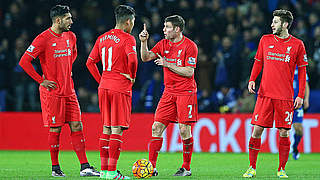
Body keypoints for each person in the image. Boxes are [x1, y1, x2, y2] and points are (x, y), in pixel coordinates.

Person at [19, 5, 99, 177]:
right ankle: (55, 168)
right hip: (53, 93)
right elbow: (24, 61)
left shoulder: (71, 36)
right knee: (55, 130)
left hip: (69, 90)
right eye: (68, 18)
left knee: (77, 125)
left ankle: (85, 166)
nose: (71, 21)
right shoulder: (43, 38)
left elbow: (73, 54)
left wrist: (66, 69)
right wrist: (42, 80)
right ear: (58, 20)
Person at [243, 9, 308, 178]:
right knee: (256, 131)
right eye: (272, 21)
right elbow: (258, 61)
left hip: (285, 97)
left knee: (284, 133)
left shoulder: (298, 45)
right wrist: (252, 79)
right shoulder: (265, 40)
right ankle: (251, 167)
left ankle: (281, 169)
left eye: (276, 22)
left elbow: (302, 72)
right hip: (264, 95)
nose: (272, 24)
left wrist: (300, 95)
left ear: (285, 24)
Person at [139, 15, 198, 177]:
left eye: (167, 27)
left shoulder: (190, 46)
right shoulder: (163, 44)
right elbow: (145, 58)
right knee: (156, 127)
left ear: (177, 29)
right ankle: (151, 167)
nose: (164, 30)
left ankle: (186, 167)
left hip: (186, 92)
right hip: (169, 92)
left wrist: (168, 64)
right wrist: (143, 42)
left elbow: (189, 72)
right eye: (164, 26)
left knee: (184, 129)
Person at [86, 5, 137, 180]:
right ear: (128, 22)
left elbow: (90, 62)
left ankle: (105, 172)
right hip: (119, 87)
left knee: (106, 128)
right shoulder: (128, 38)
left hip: (104, 86)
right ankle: (113, 172)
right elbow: (133, 60)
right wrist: (132, 77)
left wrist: (101, 80)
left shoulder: (102, 38)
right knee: (116, 129)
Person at [292, 67, 310, 160]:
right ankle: (284, 152)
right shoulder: (284, 64)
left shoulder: (300, 68)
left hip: (298, 102)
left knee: (299, 128)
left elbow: (306, 85)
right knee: (283, 129)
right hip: (285, 101)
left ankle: (295, 147)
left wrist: (306, 98)